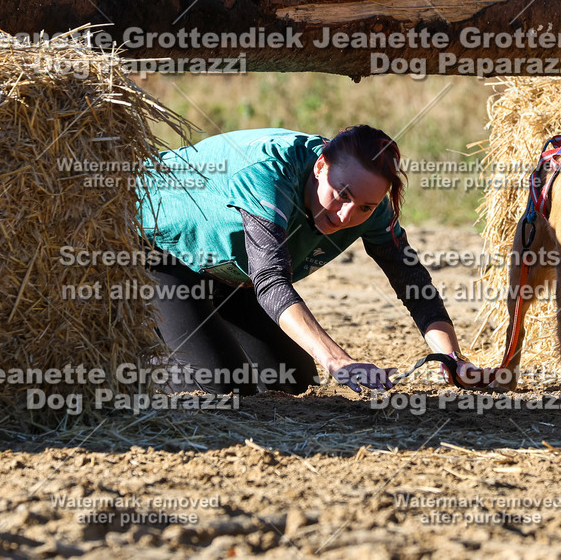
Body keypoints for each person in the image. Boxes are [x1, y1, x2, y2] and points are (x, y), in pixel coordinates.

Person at [137, 125, 490, 395]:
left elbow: (412, 282)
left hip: (235, 272)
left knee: (294, 382)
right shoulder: (269, 176)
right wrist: (339, 360)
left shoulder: (372, 207)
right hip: (159, 252)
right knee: (224, 393)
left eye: (365, 206)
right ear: (320, 166)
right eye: (341, 196)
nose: (346, 215)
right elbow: (272, 281)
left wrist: (452, 358)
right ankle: (141, 365)